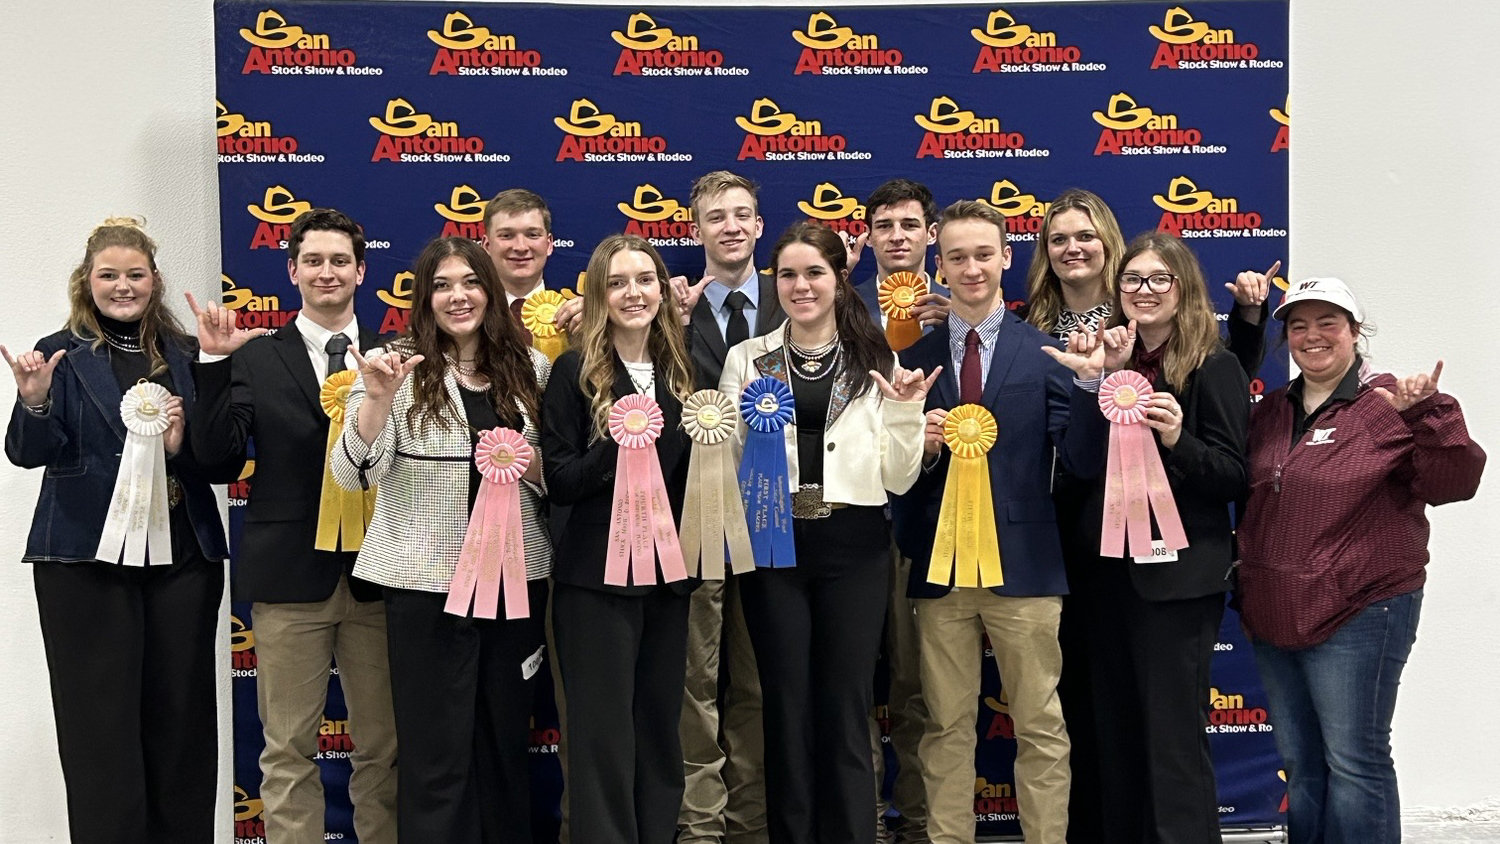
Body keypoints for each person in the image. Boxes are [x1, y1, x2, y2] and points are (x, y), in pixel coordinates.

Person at [891, 201, 1112, 844]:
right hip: (940, 569)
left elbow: (1078, 461)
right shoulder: (915, 359)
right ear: (939, 266)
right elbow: (895, 476)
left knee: (1041, 723)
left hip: (1027, 565)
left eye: (983, 254)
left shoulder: (1043, 352)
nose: (971, 268)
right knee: (944, 724)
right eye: (956, 257)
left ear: (1007, 257)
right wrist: (921, 446)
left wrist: (1094, 389)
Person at [1236, 278, 1485, 844]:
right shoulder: (1272, 411)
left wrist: (1431, 415)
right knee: (1302, 764)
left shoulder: (1392, 401)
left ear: (1354, 332)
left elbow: (1454, 483)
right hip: (1277, 610)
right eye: (1298, 326)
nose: (1312, 336)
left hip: (1361, 610)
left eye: (1328, 322)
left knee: (1354, 762)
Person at [3, 217, 227, 844]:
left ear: (154, 281)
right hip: (82, 562)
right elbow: (28, 452)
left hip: (183, 559)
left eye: (135, 275)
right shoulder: (56, 353)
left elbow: (219, 459)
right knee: (97, 727)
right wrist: (34, 401)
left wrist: (184, 443)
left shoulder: (187, 353)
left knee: (180, 721)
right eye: (109, 276)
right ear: (87, 281)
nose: (122, 286)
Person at [330, 236, 552, 843]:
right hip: (426, 584)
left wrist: (528, 463)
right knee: (435, 753)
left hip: (515, 581)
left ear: (490, 290)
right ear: (424, 298)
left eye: (470, 282)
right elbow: (351, 474)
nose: (458, 297)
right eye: (442, 285)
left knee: (505, 743)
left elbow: (556, 477)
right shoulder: (391, 367)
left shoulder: (532, 369)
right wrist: (375, 401)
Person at [188, 207, 398, 844]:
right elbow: (217, 460)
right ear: (291, 271)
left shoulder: (400, 355)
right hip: (288, 579)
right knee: (285, 752)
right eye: (313, 261)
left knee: (384, 752)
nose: (326, 272)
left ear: (362, 270)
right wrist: (213, 364)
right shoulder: (256, 358)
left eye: (340, 260)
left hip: (381, 575)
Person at [721, 221, 933, 844]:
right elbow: (731, 458)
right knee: (783, 703)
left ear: (840, 279)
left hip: (855, 543)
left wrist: (904, 412)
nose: (800, 285)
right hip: (774, 541)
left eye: (814, 272)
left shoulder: (877, 358)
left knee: (844, 703)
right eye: (787, 274)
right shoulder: (747, 358)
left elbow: (899, 477)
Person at [1072, 231, 1250, 844]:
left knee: (1173, 740)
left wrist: (1179, 440)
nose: (1141, 292)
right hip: (1106, 576)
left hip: (1177, 581)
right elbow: (1080, 467)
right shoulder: (1110, 363)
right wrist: (1099, 382)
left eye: (1157, 280)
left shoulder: (1215, 364)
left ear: (1183, 287)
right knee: (1113, 735)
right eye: (1131, 281)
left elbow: (1233, 475)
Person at [542, 233, 698, 844]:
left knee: (660, 727)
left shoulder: (689, 375)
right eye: (617, 282)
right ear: (599, 296)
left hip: (668, 577)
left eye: (644, 279)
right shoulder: (571, 374)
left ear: (662, 289)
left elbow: (697, 482)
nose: (633, 292)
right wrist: (618, 440)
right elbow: (559, 480)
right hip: (594, 580)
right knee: (600, 733)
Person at [1018, 188, 1126, 844]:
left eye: (1084, 235)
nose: (1072, 248)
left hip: (1130, 525)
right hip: (1053, 532)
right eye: (1058, 239)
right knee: (1068, 692)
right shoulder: (1028, 332)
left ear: (1107, 242)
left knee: (1121, 686)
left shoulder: (1140, 319)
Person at [855, 177, 951, 844]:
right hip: (853, 522)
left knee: (922, 690)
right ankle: (860, 824)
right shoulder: (839, 309)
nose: (896, 236)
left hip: (935, 521)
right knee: (854, 685)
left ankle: (919, 827)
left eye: (909, 225)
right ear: (866, 236)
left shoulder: (959, 311)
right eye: (884, 225)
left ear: (931, 234)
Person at [483, 187, 556, 343]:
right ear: (487, 245)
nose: (520, 247)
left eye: (532, 235)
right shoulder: (468, 319)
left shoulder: (576, 320)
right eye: (507, 236)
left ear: (549, 244)